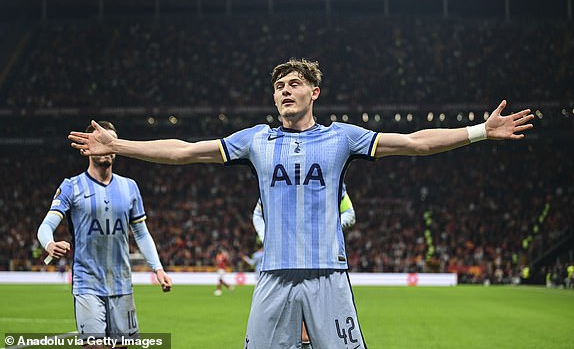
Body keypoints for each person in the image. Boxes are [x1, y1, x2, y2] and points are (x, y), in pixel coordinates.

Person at [68, 59, 534, 348]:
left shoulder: (341, 138)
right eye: (278, 87)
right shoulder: (256, 140)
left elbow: (415, 142)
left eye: (293, 84)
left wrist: (479, 131)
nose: (284, 91)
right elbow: (185, 150)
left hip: (327, 276)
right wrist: (121, 144)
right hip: (273, 277)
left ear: (314, 92)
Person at [39, 121, 172, 348]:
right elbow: (45, 226)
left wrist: (157, 268)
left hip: (121, 284)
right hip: (87, 283)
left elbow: (141, 233)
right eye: (102, 140)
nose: (108, 146)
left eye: (112, 142)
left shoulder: (130, 187)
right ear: (88, 147)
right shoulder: (71, 186)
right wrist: (49, 244)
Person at [251, 184, 355, 348]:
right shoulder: (276, 177)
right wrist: (268, 237)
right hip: (282, 260)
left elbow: (350, 214)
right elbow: (257, 214)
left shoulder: (329, 177)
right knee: (280, 325)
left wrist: (327, 229)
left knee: (319, 324)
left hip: (320, 259)